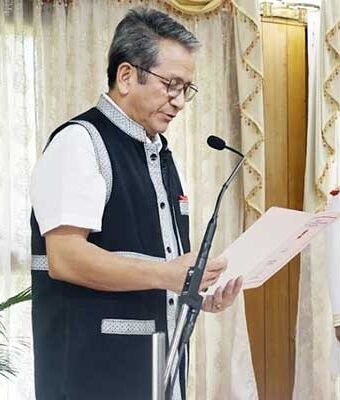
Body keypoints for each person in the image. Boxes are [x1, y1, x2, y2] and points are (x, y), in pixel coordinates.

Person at [29, 8, 241, 400]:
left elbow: (161, 265)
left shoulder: (160, 153)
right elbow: (65, 258)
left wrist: (197, 292)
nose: (178, 101)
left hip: (157, 369)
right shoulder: (79, 143)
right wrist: (168, 275)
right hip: (91, 375)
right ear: (126, 76)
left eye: (186, 89)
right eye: (170, 85)